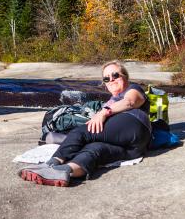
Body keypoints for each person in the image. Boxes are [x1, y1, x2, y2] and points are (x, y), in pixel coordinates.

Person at [19, 60, 152, 187]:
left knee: (83, 132)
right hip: (134, 149)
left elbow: (130, 102)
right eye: (106, 78)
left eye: (115, 75)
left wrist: (103, 113)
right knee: (95, 150)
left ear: (125, 77)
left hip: (134, 124)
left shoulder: (133, 89)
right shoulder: (110, 101)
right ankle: (64, 171)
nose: (111, 79)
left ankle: (50, 164)